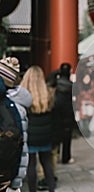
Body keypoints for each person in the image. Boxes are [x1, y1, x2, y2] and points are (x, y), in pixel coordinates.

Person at [20, 66, 56, 192]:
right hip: (46, 135)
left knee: (31, 165)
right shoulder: (49, 94)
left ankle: (32, 190)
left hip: (30, 135)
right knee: (47, 164)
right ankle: (52, 188)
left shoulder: (23, 96)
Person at [0, 57, 30, 192]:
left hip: (5, 175)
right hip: (13, 174)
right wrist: (17, 181)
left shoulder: (6, 106)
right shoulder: (20, 104)